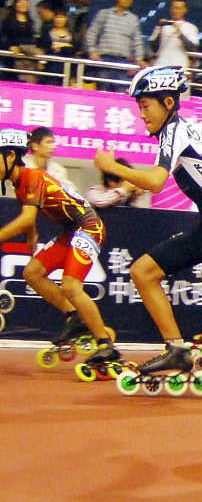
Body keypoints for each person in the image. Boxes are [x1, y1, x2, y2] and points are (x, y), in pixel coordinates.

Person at [93, 66, 202, 385]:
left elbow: (156, 182)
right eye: (139, 107)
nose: (141, 114)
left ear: (168, 102)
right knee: (144, 272)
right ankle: (182, 349)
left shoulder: (173, 131)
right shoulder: (193, 127)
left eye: (145, 105)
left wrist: (112, 167)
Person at [0, 128, 120, 364]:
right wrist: (32, 236)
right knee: (32, 273)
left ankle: (106, 345)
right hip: (72, 229)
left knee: (71, 285)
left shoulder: (32, 177)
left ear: (11, 156)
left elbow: (26, 218)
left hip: (89, 226)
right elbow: (30, 219)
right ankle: (75, 316)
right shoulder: (19, 184)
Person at [85, 0, 143, 89]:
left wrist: (138, 60)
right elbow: (92, 33)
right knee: (103, 89)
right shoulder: (104, 14)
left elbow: (137, 42)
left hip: (123, 62)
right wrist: (92, 51)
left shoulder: (133, 19)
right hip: (105, 59)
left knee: (121, 90)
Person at [147, 0, 199, 71]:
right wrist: (160, 30)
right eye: (173, 8)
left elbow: (192, 48)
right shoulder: (162, 26)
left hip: (179, 67)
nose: (175, 11)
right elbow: (153, 48)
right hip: (160, 66)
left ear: (185, 10)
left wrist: (179, 32)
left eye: (178, 8)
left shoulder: (191, 27)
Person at [1, 0, 42, 83]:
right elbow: (4, 37)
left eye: (25, 1)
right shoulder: (7, 21)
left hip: (29, 55)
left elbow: (33, 37)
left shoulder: (31, 22)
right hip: (14, 56)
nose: (23, 4)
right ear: (15, 4)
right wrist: (11, 46)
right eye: (20, 2)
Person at [24, 127, 76, 194]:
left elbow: (70, 190)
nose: (53, 147)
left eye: (52, 142)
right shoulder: (23, 167)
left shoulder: (58, 170)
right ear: (35, 146)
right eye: (48, 142)